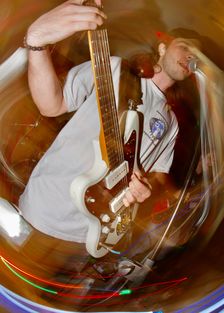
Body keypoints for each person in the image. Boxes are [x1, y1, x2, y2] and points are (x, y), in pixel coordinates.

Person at [18, 0, 201, 255]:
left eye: (196, 56)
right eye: (185, 47)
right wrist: (36, 43)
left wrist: (146, 187)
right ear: (162, 47)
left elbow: (159, 174)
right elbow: (52, 105)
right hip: (45, 209)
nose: (190, 56)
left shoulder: (170, 122)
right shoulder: (115, 69)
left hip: (92, 236)